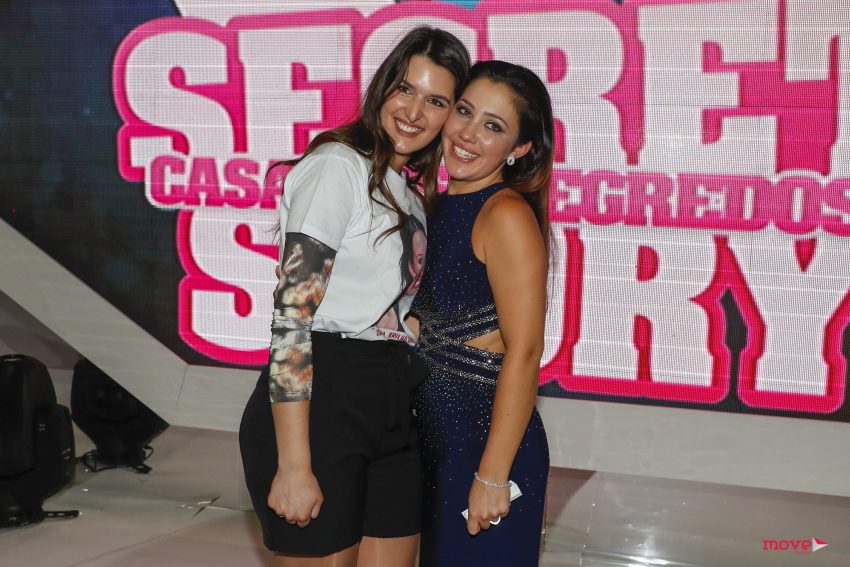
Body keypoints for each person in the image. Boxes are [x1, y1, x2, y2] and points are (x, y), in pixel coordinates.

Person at [239, 27, 470, 567]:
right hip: (322, 402)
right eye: (405, 89)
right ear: (383, 88)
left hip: (389, 401)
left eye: (436, 101)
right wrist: (294, 465)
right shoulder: (337, 166)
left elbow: (396, 310)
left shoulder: (410, 193)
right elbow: (292, 318)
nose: (414, 112)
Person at [410, 60, 554, 566]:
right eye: (464, 112)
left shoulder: (505, 213)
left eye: (492, 126)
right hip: (431, 440)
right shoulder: (432, 207)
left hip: (484, 446)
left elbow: (525, 350)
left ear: (520, 149)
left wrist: (493, 475)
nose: (468, 134)